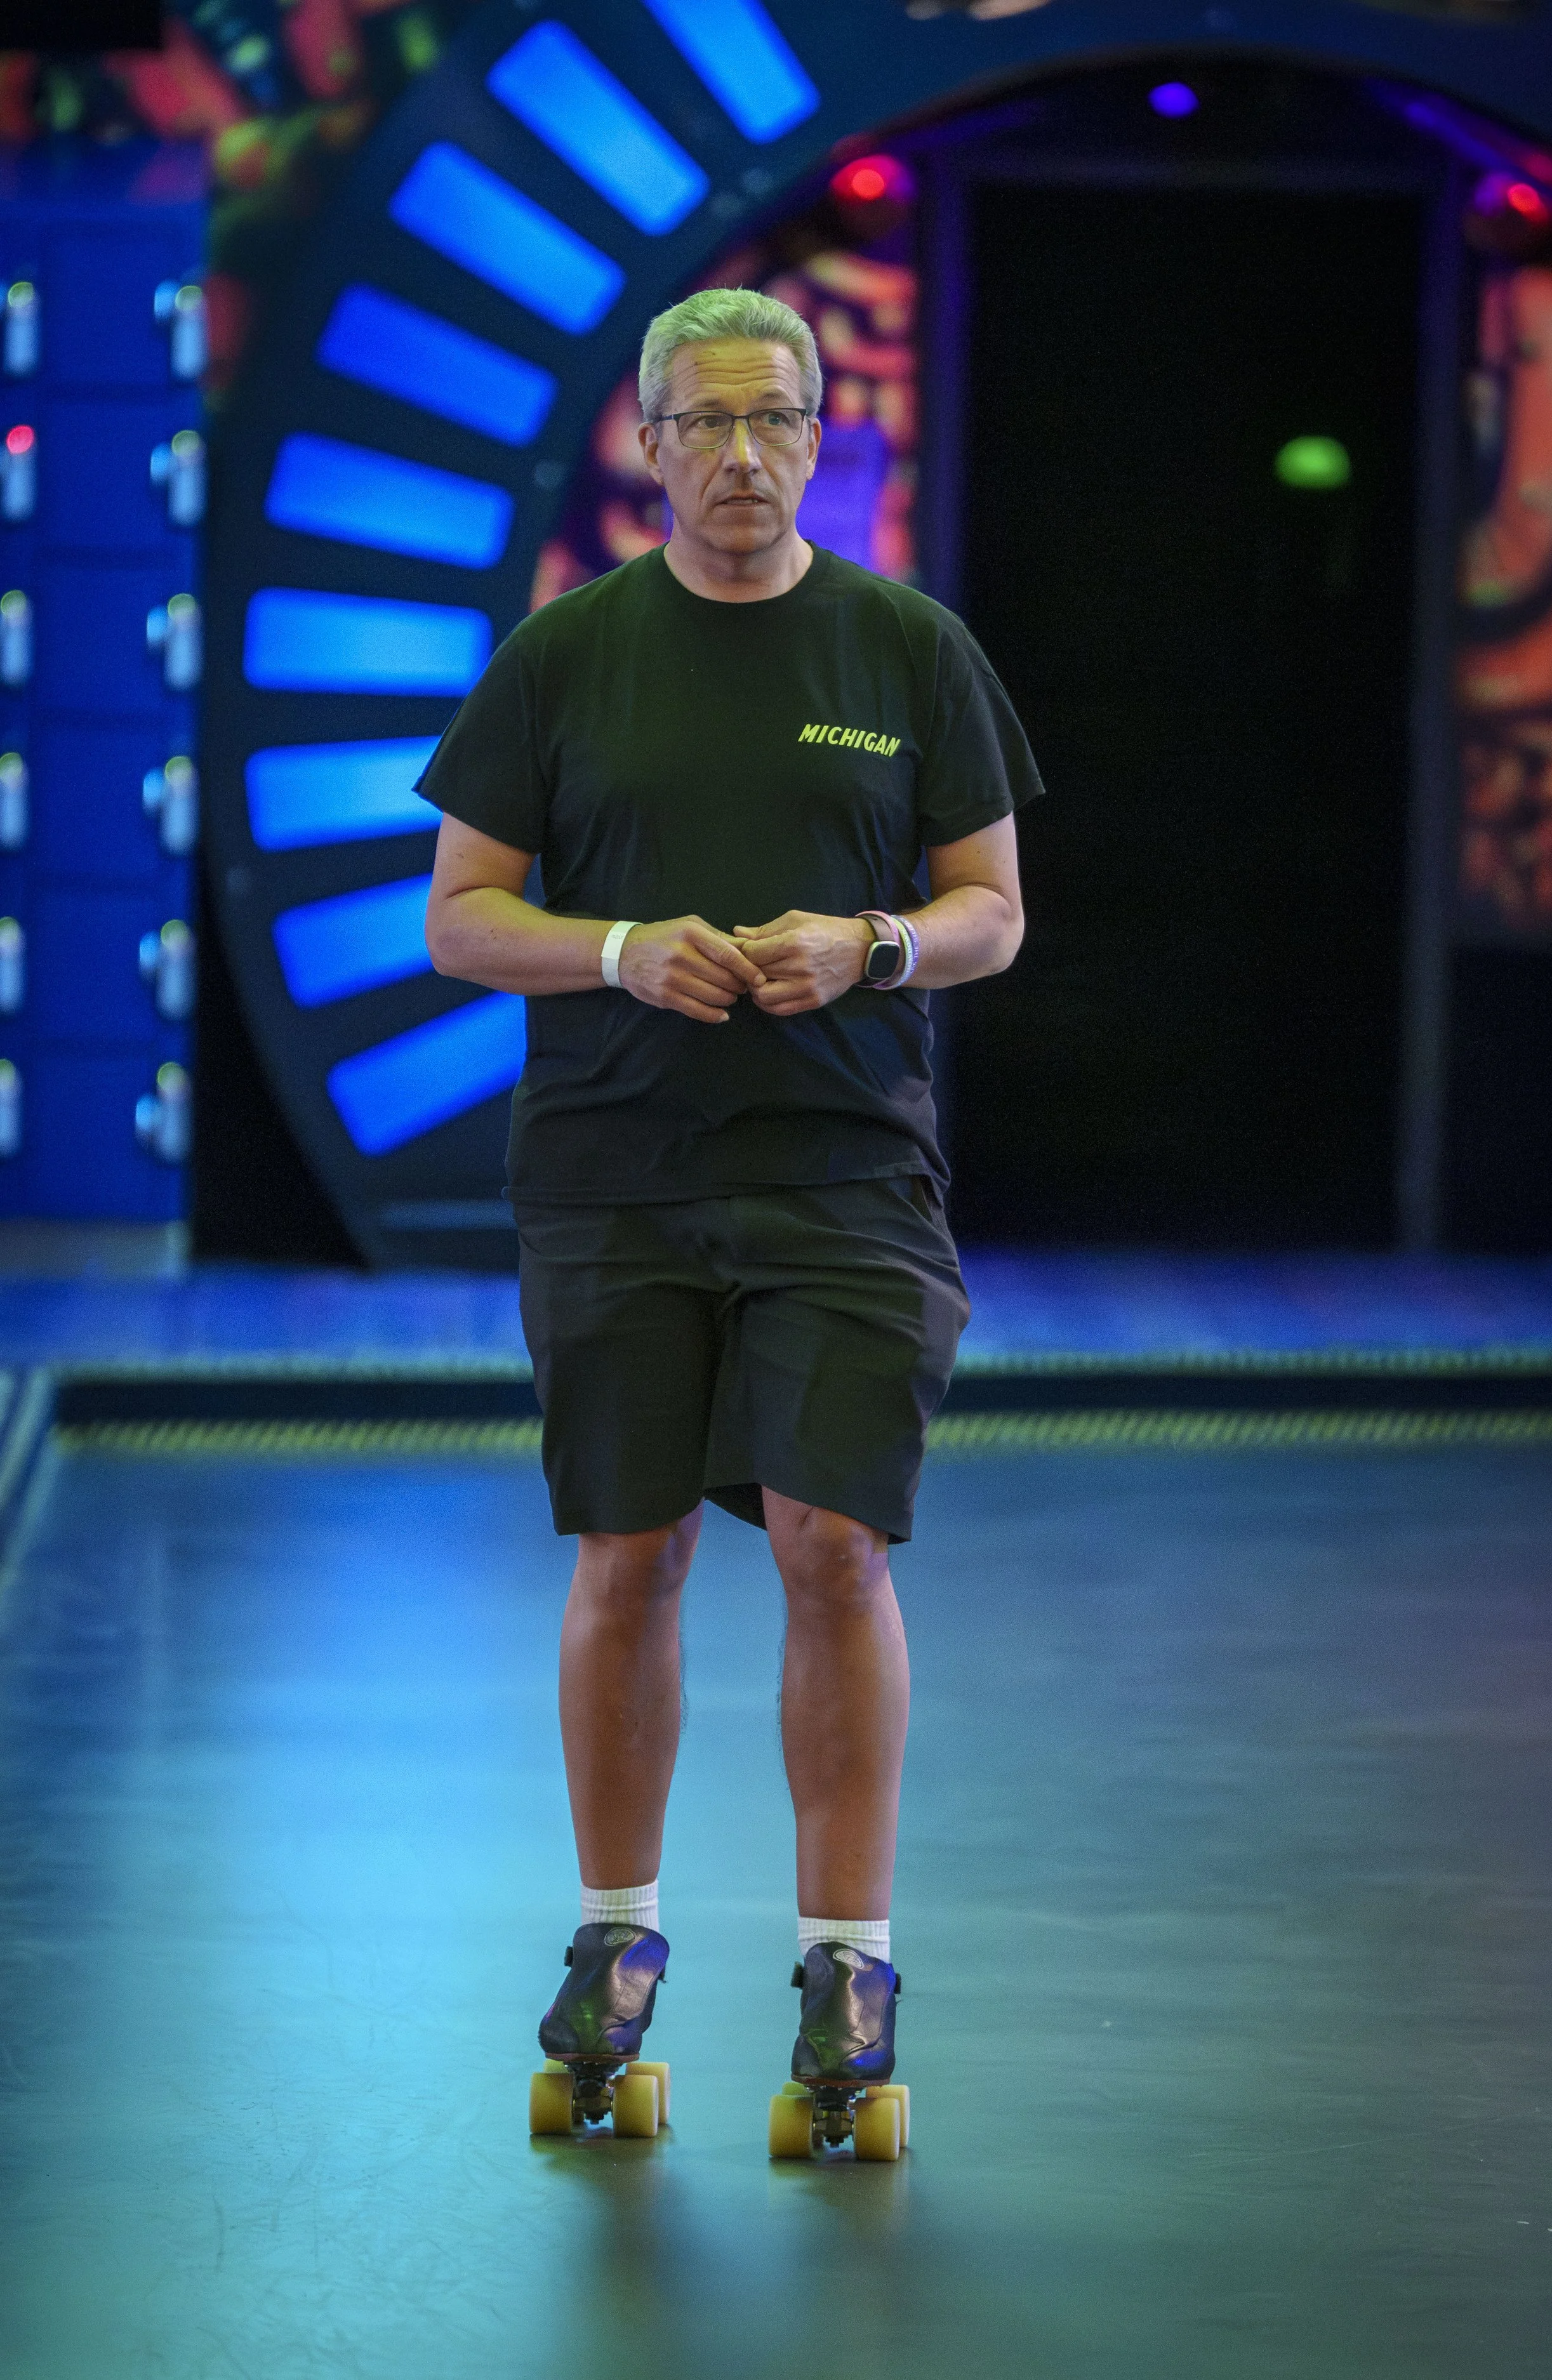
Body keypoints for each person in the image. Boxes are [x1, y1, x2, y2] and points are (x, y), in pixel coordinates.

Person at [421, 286, 1042, 2150]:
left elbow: (991, 911)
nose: (749, 455)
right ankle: (615, 1935)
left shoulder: (908, 650)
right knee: (628, 1552)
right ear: (647, 443)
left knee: (828, 1537)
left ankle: (847, 1954)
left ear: (822, 430)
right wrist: (616, 950)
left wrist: (871, 946)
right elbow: (461, 917)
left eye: (781, 419)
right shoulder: (563, 657)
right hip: (612, 1169)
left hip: (845, 1168)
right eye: (710, 424)